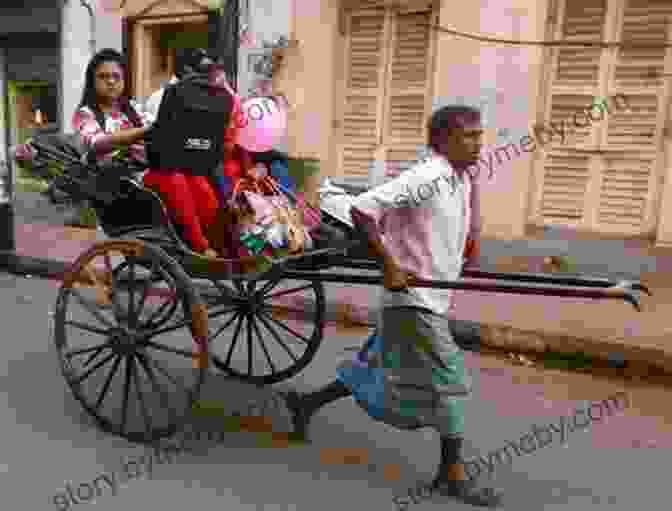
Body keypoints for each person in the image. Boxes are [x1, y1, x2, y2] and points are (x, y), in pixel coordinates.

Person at [282, 105, 503, 507]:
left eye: (479, 135)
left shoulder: (461, 176)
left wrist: (469, 242)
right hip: (411, 300)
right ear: (442, 141)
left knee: (376, 363)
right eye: (468, 136)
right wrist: (390, 265)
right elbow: (362, 209)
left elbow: (462, 222)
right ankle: (451, 475)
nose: (478, 143)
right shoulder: (428, 175)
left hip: (432, 295)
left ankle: (305, 403)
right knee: (450, 381)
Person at [141, 50, 243, 258]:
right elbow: (155, 139)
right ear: (186, 70)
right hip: (145, 170)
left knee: (201, 185)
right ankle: (200, 245)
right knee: (177, 179)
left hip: (183, 164)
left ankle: (221, 246)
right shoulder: (162, 96)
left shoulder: (215, 97)